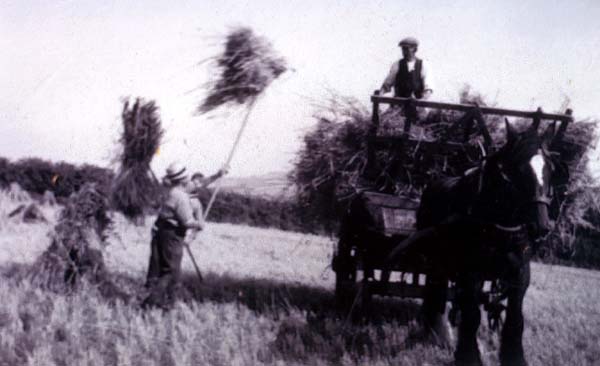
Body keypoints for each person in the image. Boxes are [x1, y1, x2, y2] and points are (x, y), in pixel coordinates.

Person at [143, 162, 204, 309]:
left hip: (161, 232)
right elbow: (187, 221)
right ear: (184, 179)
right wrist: (199, 224)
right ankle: (150, 302)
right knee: (171, 271)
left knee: (163, 269)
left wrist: (219, 174)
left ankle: (167, 303)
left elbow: (196, 185)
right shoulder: (181, 197)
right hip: (172, 235)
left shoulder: (170, 191)